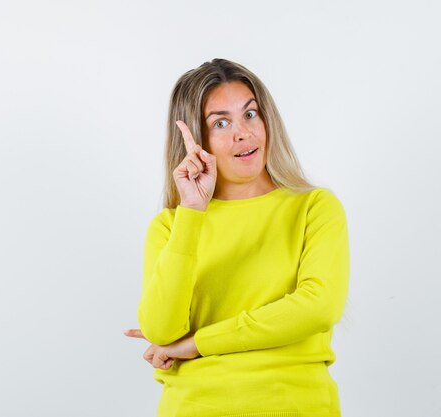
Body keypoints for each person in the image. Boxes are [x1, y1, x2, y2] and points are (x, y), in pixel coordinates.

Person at [124, 58, 350, 417]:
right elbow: (162, 330)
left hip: (297, 405)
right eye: (221, 123)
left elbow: (317, 308)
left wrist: (199, 343)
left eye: (251, 114)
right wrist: (192, 212)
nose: (243, 133)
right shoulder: (171, 226)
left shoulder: (314, 207)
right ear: (197, 142)